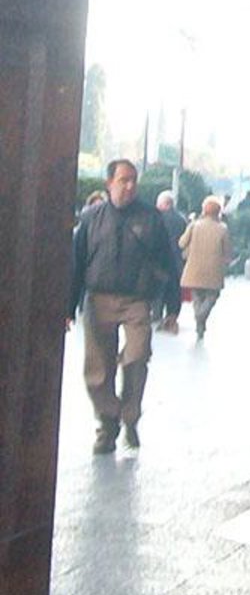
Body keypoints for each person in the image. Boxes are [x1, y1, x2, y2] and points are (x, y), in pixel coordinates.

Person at [67, 159, 181, 454]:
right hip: (98, 299)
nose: (130, 186)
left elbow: (169, 262)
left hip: (137, 301)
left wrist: (172, 307)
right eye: (123, 180)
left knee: (137, 357)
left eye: (133, 180)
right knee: (98, 369)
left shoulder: (151, 218)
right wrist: (69, 307)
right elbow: (76, 263)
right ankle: (108, 424)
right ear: (109, 183)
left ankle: (130, 416)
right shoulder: (91, 218)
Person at [179, 196, 233, 340]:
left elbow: (181, 243)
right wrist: (227, 262)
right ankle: (201, 318)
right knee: (212, 296)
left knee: (196, 296)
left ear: (204, 210)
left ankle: (199, 320)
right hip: (214, 270)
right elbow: (227, 251)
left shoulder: (194, 225)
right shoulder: (223, 229)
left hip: (194, 268)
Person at [153, 190, 187, 324]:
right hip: (177, 260)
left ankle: (156, 313)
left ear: (165, 204)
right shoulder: (181, 219)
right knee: (174, 289)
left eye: (158, 204)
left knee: (159, 287)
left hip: (160, 260)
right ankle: (172, 315)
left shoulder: (156, 218)